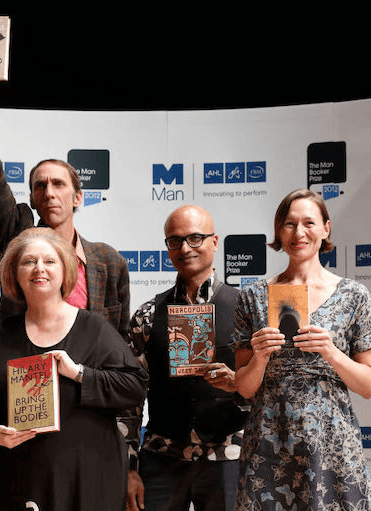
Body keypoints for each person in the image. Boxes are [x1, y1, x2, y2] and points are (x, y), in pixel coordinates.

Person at [0, 227, 149, 511]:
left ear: (65, 270)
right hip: (13, 484)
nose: (39, 269)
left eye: (49, 261)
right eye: (29, 261)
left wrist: (79, 373)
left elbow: (134, 386)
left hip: (88, 481)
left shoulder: (94, 329)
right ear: (15, 273)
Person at [0, 44, 130, 340]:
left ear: (78, 197)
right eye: (40, 185)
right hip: (26, 376)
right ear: (33, 199)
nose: (49, 192)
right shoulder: (18, 238)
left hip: (87, 382)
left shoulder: (110, 262)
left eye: (59, 184)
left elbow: (121, 344)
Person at [232, 189, 371, 510]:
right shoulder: (253, 296)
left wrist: (331, 352)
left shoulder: (354, 296)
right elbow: (243, 389)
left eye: (309, 223)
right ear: (278, 232)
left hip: (332, 449)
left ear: (326, 228)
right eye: (289, 224)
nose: (299, 233)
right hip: (268, 449)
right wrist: (259, 358)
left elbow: (369, 385)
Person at [127, 205, 248, 511]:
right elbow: (129, 398)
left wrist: (239, 386)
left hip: (229, 456)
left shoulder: (246, 310)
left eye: (195, 238)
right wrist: (129, 466)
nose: (185, 248)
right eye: (175, 240)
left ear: (215, 242)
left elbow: (269, 390)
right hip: (162, 455)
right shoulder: (148, 315)